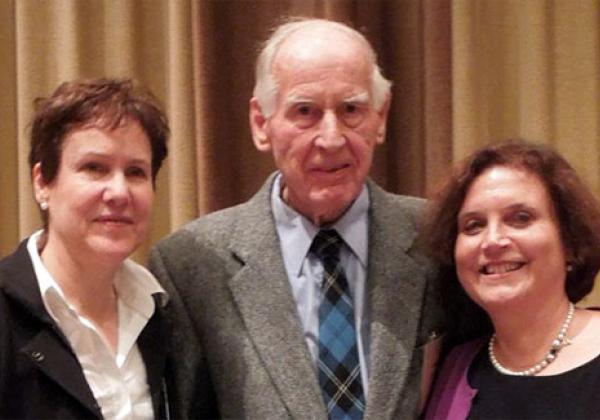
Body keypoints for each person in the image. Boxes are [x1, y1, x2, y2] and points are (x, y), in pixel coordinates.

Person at [149, 17, 443, 419]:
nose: (331, 138)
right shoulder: (191, 264)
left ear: (381, 117)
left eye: (351, 110)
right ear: (261, 123)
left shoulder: (438, 239)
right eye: (304, 111)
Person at [0, 78, 172, 419]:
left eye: (136, 172)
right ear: (42, 183)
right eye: (95, 168)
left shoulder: (163, 314)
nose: (119, 192)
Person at [421, 141, 600, 419]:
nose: (492, 241)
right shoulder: (453, 370)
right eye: (474, 225)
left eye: (520, 218)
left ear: (570, 242)